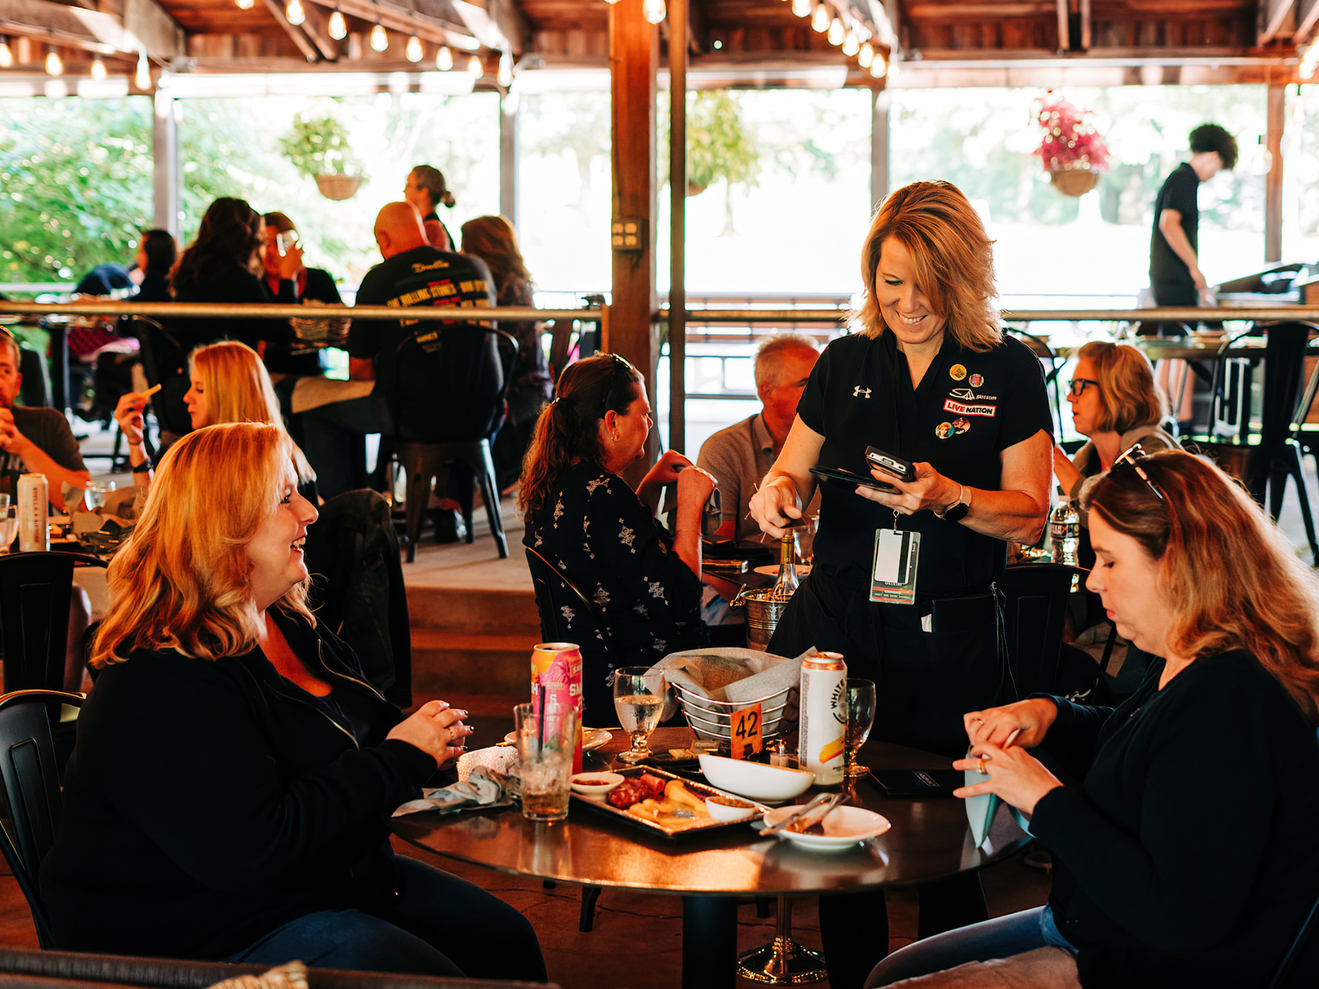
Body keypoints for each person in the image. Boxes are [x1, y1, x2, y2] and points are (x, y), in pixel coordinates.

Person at [39, 422, 547, 981]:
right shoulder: (161, 672)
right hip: (194, 937)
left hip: (316, 881)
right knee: (421, 975)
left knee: (505, 940)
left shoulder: (285, 621)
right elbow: (251, 850)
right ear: (224, 526)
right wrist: (400, 759)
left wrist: (441, 749)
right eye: (285, 498)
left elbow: (365, 733)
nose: (310, 512)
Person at [748, 180, 1053, 988]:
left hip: (946, 637)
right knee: (836, 822)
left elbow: (1030, 516)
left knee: (947, 845)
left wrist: (946, 494)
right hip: (841, 624)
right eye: (890, 282)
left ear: (960, 278)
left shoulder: (1007, 369)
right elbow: (790, 470)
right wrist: (777, 495)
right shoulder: (847, 360)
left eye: (925, 283)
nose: (907, 302)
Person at [863, 450, 1319, 989]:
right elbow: (1145, 750)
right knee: (894, 970)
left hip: (1139, 962)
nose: (1093, 580)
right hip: (1090, 923)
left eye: (1107, 559)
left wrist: (1043, 797)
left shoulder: (1228, 702)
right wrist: (1052, 714)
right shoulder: (1192, 652)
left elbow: (1178, 916)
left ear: (1177, 561)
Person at [520, 354, 715, 722]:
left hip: (585, 671)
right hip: (636, 683)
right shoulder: (605, 493)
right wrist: (690, 506)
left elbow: (608, 554)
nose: (649, 423)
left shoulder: (557, 483)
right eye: (643, 414)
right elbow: (681, 598)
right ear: (612, 421)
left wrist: (648, 487)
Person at [300, 202, 494, 501]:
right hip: (482, 411)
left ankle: (345, 514)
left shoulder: (381, 279)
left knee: (317, 411)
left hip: (415, 415)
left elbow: (359, 372)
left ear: (383, 239)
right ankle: (448, 506)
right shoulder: (475, 268)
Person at [159, 198, 303, 443]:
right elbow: (284, 331)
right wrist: (289, 275)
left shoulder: (189, 272)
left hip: (183, 385)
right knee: (293, 398)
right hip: (225, 390)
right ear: (245, 236)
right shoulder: (235, 278)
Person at [114, 340, 315, 500]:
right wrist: (135, 443)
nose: (187, 397)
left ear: (228, 396)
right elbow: (156, 513)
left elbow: (159, 525)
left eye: (200, 388)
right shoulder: (282, 452)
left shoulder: (259, 468)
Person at [698, 332, 820, 548]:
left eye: (823, 382)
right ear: (768, 393)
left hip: (822, 575)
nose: (821, 393)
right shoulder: (725, 449)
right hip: (749, 577)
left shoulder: (838, 444)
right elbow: (717, 549)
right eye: (806, 384)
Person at [460, 215, 552, 491]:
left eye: (466, 245)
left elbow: (520, 354)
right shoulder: (494, 284)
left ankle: (458, 495)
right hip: (508, 382)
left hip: (523, 389)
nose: (462, 253)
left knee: (468, 408)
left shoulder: (510, 286)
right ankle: (455, 495)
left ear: (481, 246)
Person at [1147, 123, 1238, 333]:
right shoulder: (1185, 178)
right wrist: (1194, 268)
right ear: (1213, 157)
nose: (1215, 173)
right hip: (1173, 278)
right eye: (1219, 166)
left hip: (1167, 277)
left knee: (1177, 345)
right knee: (1182, 346)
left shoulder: (1180, 176)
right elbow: (1168, 223)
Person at [0, 329, 91, 509]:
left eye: (5, 371)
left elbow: (85, 503)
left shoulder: (48, 423)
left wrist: (22, 447)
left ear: (17, 384)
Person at [259, 212, 345, 379]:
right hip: (266, 378)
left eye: (279, 243)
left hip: (313, 376)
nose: (271, 252)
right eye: (264, 244)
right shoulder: (256, 285)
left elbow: (345, 335)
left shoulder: (320, 279)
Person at [404, 165, 456, 251]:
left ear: (424, 192)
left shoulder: (431, 232)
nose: (404, 191)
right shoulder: (429, 226)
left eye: (408, 185)